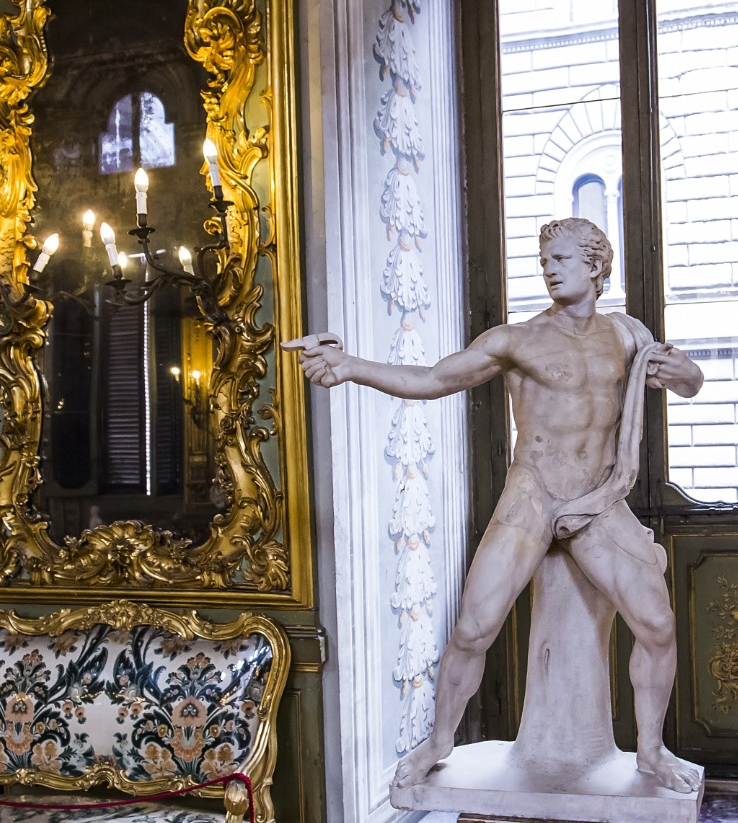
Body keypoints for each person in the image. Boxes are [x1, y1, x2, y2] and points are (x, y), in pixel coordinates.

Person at [287, 218, 706, 793]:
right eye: (544, 260)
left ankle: (652, 752)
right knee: (473, 627)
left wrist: (688, 374)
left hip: (597, 501)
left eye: (560, 258)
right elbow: (433, 378)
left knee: (657, 624)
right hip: (532, 495)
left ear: (595, 265)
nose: (549, 268)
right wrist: (352, 365)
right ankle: (438, 742)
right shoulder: (518, 340)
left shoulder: (628, 335)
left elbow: (685, 381)